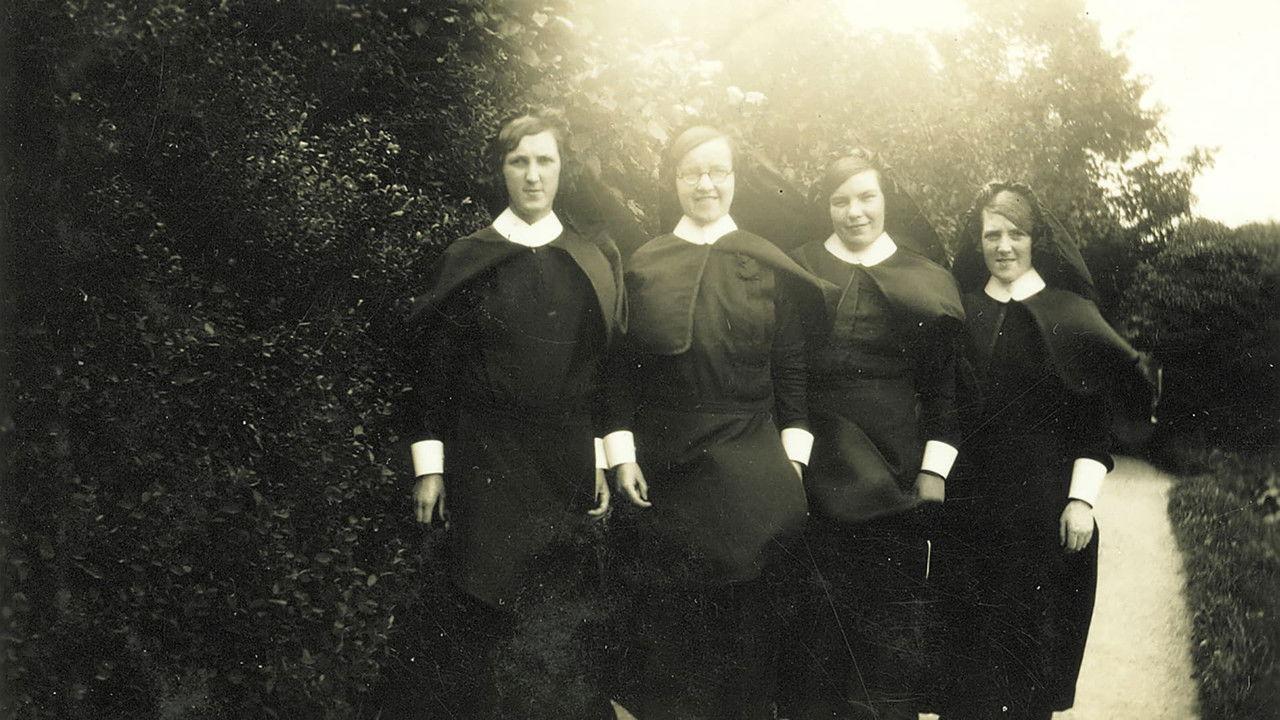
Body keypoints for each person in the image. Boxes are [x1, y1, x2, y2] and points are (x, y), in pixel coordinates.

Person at [386, 109, 625, 720]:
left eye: (545, 160)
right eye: (519, 161)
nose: (533, 174)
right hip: (485, 458)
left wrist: (600, 456)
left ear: (562, 169)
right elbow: (432, 373)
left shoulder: (589, 257)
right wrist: (429, 467)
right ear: (501, 171)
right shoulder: (470, 259)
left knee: (557, 629)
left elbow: (602, 370)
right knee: (481, 610)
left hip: (565, 459)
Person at [604, 124, 830, 720]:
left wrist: (794, 461)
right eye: (691, 173)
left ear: (735, 180)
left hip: (751, 456)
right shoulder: (645, 264)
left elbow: (792, 372)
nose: (706, 184)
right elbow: (621, 373)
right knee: (674, 642)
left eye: (718, 172)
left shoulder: (767, 264)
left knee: (746, 637)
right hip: (667, 463)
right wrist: (622, 455)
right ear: (673, 181)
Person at [940, 182, 1145, 720]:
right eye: (991, 234)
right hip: (971, 510)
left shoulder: (1070, 313)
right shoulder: (960, 312)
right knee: (966, 662)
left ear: (1037, 241)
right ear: (977, 242)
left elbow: (1093, 419)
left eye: (1016, 233)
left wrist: (1082, 501)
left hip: (1042, 509)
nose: (1003, 245)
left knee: (1029, 658)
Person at [779, 151, 966, 720]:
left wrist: (934, 471)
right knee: (814, 625)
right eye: (840, 200)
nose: (854, 212)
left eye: (867, 197)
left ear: (887, 201)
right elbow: (786, 370)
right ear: (826, 207)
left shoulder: (926, 279)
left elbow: (945, 391)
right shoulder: (800, 268)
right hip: (814, 467)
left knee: (886, 629)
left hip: (895, 471)